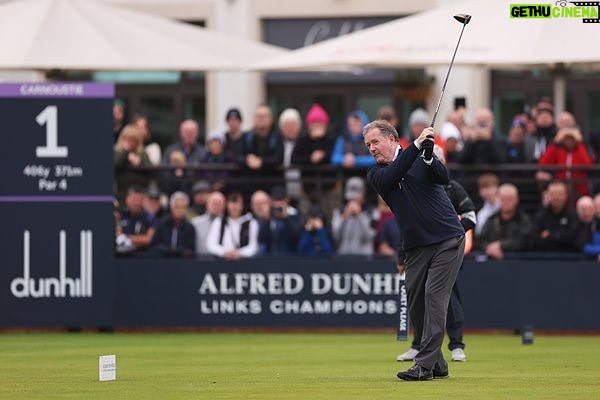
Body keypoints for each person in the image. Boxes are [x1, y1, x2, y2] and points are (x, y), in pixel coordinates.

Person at [364, 120, 465, 381]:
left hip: (446, 238)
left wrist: (429, 155)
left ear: (392, 139)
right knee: (416, 300)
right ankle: (438, 364)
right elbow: (395, 173)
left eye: (375, 142)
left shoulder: (419, 157)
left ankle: (424, 365)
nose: (372, 149)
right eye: (368, 145)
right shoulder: (377, 174)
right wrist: (418, 145)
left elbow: (443, 178)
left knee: (434, 296)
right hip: (417, 246)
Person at [397, 145, 476, 363]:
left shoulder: (453, 187)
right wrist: (400, 256)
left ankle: (456, 344)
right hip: (422, 249)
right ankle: (418, 345)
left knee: (447, 298)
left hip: (448, 248)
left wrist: (454, 229)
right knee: (420, 299)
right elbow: (406, 224)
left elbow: (471, 216)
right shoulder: (414, 185)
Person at [476, 183, 533, 259]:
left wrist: (501, 245)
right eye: (503, 198)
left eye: (510, 199)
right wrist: (490, 248)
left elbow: (524, 241)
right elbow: (480, 241)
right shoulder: (491, 219)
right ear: (499, 199)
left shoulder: (524, 220)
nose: (507, 202)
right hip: (493, 263)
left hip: (519, 262)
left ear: (517, 200)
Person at [206, 192, 259, 260]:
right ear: (227, 205)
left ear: (242, 205)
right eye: (232, 203)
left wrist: (239, 253)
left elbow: (253, 246)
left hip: (244, 262)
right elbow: (211, 244)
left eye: (237, 203)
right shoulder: (219, 221)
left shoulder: (251, 222)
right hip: (222, 262)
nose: (234, 206)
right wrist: (225, 252)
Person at [331, 176, 376, 256]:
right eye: (351, 197)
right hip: (344, 258)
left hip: (364, 259)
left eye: (356, 197)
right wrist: (344, 218)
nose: (353, 200)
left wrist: (360, 216)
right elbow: (336, 237)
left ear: (363, 194)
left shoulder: (371, 212)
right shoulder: (338, 212)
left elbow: (370, 237)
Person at [149, 191, 196, 258]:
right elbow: (154, 246)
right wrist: (170, 250)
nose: (180, 210)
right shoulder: (162, 224)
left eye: (183, 207)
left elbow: (189, 250)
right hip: (162, 262)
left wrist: (178, 251)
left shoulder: (190, 228)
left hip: (183, 264)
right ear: (171, 207)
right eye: (177, 207)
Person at [191, 191, 226, 255]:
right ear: (207, 204)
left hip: (222, 262)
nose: (216, 206)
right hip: (200, 262)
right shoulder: (195, 223)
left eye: (219, 204)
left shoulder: (228, 224)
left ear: (224, 206)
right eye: (214, 203)